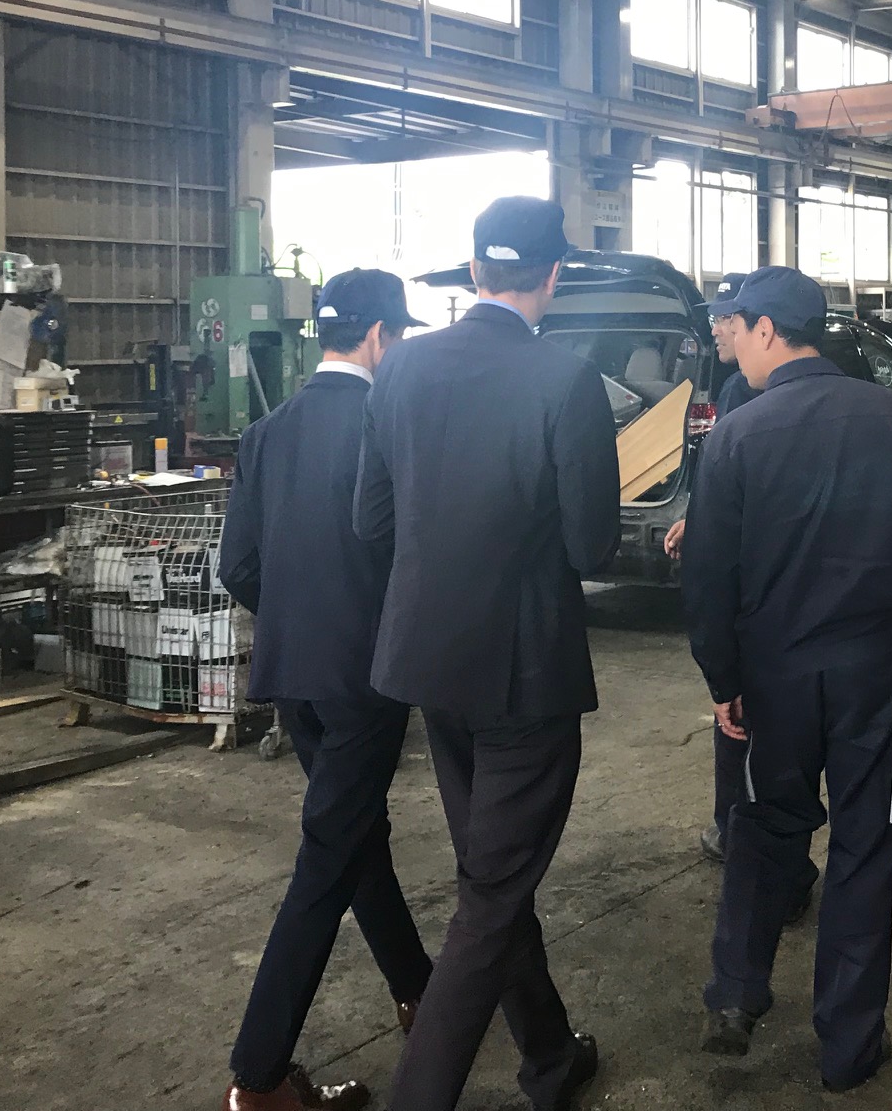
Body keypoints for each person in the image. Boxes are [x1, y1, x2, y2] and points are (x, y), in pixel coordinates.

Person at [680, 265, 892, 1093]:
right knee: (865, 842)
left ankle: (735, 995)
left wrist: (722, 678)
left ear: (767, 330)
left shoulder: (738, 435)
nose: (731, 343)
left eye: (736, 327)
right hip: (870, 673)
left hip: (774, 672)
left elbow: (708, 576)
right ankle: (849, 1046)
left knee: (763, 824)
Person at [356, 197, 617, 1111]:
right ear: (555, 275)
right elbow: (591, 547)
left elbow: (372, 520)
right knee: (490, 898)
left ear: (473, 272)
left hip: (430, 663)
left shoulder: (401, 367)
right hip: (523, 673)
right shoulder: (566, 381)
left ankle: (548, 1055)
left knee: (494, 877)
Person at [216, 269, 434, 1111]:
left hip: (292, 676)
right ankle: (260, 1075)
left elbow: (238, 565)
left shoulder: (266, 432)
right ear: (380, 336)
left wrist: (296, 620)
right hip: (364, 679)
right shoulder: (390, 427)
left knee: (355, 834)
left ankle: (419, 991)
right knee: (327, 858)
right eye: (400, 335)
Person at [663, 273, 764, 866]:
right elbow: (721, 481)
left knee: (742, 710)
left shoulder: (759, 394)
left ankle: (746, 836)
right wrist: (697, 518)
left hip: (753, 587)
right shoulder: (732, 388)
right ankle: (732, 823)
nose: (716, 328)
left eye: (727, 317)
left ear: (760, 327)